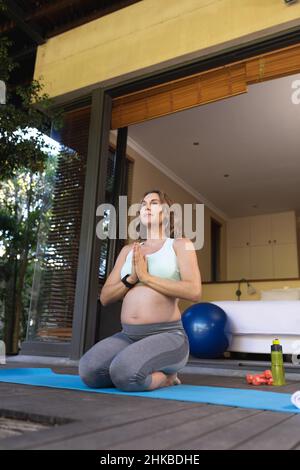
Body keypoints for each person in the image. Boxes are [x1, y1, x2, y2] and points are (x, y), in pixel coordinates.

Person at [79, 189, 202, 391]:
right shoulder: (129, 251)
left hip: (168, 335)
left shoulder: (181, 245)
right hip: (127, 335)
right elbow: (105, 297)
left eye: (154, 202)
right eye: (143, 203)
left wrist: (147, 277)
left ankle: (167, 378)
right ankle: (133, 367)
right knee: (89, 372)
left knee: (125, 373)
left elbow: (194, 291)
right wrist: (131, 279)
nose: (146, 206)